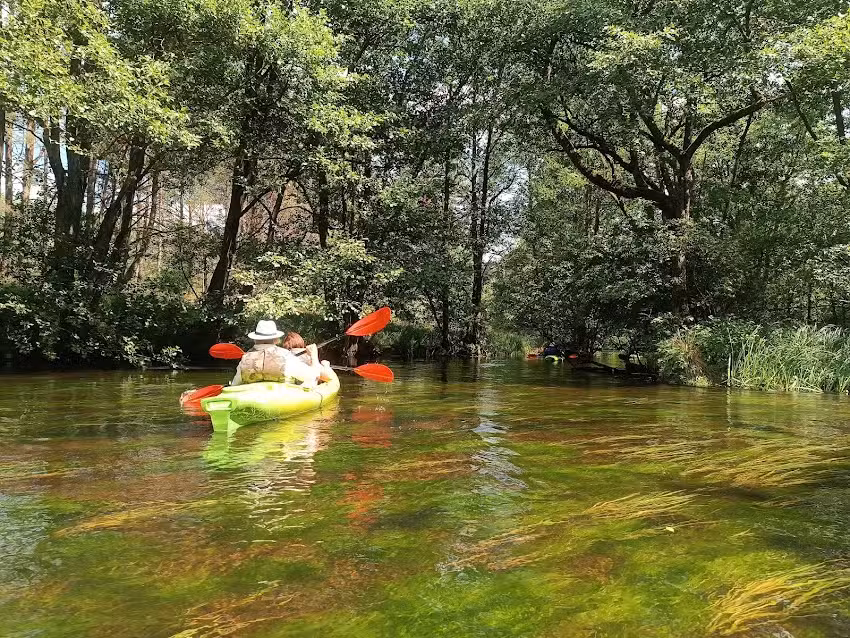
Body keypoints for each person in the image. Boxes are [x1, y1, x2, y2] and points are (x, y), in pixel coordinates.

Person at [231, 320, 327, 387]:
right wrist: (314, 357)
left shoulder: (245, 358)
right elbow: (313, 376)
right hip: (282, 401)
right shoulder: (285, 356)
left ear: (255, 339)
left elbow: (235, 385)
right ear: (276, 340)